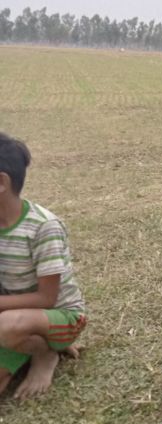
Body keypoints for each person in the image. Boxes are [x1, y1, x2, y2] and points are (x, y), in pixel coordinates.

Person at [0, 133, 87, 399]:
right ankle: (23, 348)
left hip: (59, 316)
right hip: (11, 316)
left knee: (6, 325)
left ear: (2, 182)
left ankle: (45, 353)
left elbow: (47, 298)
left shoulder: (43, 227)